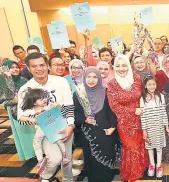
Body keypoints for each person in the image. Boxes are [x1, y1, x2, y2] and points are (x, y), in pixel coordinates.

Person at [17, 52, 75, 181]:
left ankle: (68, 179)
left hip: (64, 126)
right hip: (44, 131)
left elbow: (69, 105)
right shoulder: (25, 89)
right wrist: (35, 119)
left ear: (47, 66)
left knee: (67, 159)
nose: (39, 69)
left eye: (42, 65)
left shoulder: (61, 82)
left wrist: (70, 125)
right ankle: (45, 177)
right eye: (34, 66)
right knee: (55, 159)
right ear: (28, 68)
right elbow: (20, 118)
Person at [107, 54, 148, 181]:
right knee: (130, 146)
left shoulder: (136, 78)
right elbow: (114, 106)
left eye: (124, 65)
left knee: (140, 144)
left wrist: (136, 109)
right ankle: (132, 171)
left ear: (129, 66)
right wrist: (133, 110)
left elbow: (139, 94)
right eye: (118, 66)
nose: (121, 68)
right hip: (124, 121)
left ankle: (141, 167)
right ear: (113, 67)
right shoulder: (112, 84)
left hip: (139, 119)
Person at [73, 67, 117, 182]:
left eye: (94, 77)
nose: (91, 80)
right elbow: (74, 113)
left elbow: (112, 111)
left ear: (99, 78)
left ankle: (107, 177)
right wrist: (83, 119)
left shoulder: (105, 91)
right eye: (88, 77)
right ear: (84, 77)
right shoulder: (78, 94)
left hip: (104, 130)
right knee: (91, 156)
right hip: (88, 132)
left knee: (107, 153)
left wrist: (113, 126)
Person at [20, 88, 69, 174]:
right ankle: (40, 160)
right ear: (34, 102)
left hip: (51, 129)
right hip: (40, 131)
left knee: (59, 141)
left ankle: (65, 156)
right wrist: (30, 119)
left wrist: (57, 105)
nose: (44, 100)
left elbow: (60, 110)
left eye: (44, 97)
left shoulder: (49, 106)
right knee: (36, 143)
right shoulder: (32, 110)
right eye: (40, 98)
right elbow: (21, 118)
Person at [140, 75, 169, 178]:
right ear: (145, 86)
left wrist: (166, 127)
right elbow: (142, 116)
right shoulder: (142, 99)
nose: (152, 86)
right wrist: (144, 131)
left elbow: (164, 112)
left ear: (156, 85)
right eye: (149, 84)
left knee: (159, 147)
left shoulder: (161, 96)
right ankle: (152, 164)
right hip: (149, 128)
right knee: (150, 147)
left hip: (159, 127)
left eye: (153, 84)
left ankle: (159, 165)